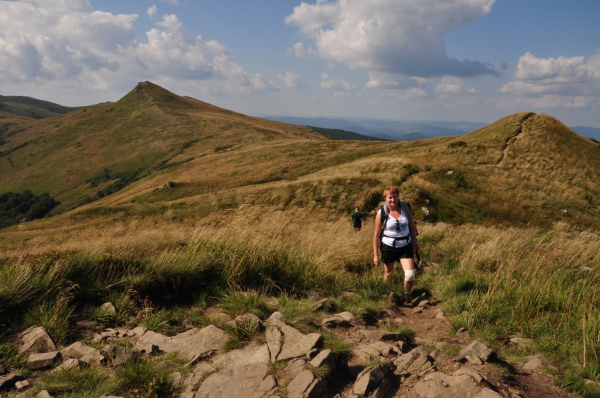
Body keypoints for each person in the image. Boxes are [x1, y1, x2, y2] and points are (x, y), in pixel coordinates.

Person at [372, 186, 418, 304]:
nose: (393, 200)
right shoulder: (381, 213)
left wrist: (414, 245)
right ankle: (387, 295)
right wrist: (376, 255)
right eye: (390, 197)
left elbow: (412, 228)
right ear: (385, 198)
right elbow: (376, 235)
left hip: (405, 245)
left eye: (395, 197)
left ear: (398, 197)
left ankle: (406, 295)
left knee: (410, 274)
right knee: (388, 273)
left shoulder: (406, 207)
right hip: (388, 246)